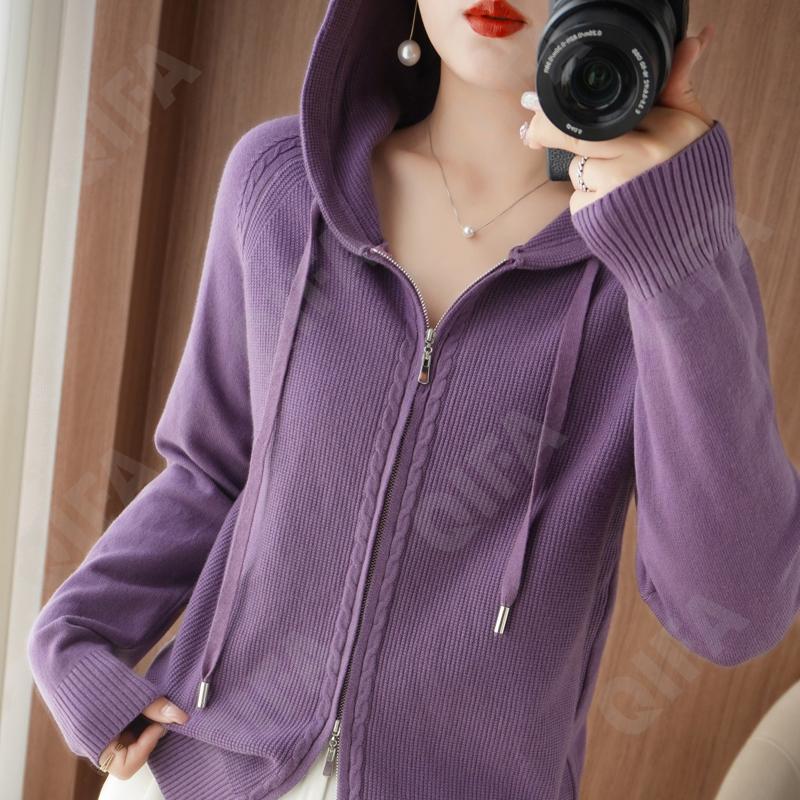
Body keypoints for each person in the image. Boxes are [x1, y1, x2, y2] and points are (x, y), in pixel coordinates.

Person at [27, 0, 800, 798]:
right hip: (203, 772)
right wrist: (73, 637)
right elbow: (211, 473)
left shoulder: (656, 269)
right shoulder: (281, 185)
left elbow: (734, 613)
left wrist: (679, 256)